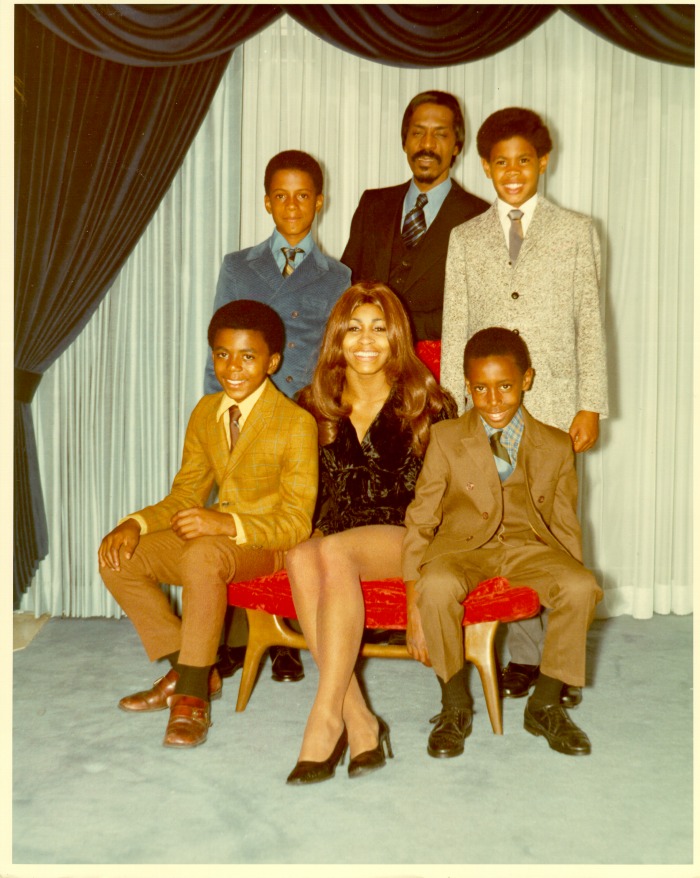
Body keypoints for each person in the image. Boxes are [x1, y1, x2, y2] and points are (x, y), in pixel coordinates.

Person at [440, 107, 608, 701]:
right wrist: (455, 408)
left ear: (543, 162)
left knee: (554, 531)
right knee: (496, 525)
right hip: (487, 406)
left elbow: (590, 319)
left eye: (524, 161)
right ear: (485, 167)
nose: (513, 173)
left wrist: (590, 403)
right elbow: (456, 324)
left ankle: (552, 665)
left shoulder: (576, 231)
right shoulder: (466, 238)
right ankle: (514, 648)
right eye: (500, 163)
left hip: (555, 405)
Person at [99, 300, 318, 749]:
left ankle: (191, 699)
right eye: (222, 354)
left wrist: (225, 524)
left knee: (202, 553)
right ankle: (192, 669)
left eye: (248, 356)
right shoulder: (205, 412)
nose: (232, 367)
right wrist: (135, 523)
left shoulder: (296, 423)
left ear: (273, 362)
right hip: (214, 550)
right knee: (119, 558)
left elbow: (296, 523)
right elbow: (184, 496)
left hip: (266, 545)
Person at [284, 282, 456, 785]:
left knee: (335, 550)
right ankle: (361, 722)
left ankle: (324, 719)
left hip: (408, 538)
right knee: (300, 554)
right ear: (337, 339)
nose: (366, 340)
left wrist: (420, 593)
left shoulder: (429, 404)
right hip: (341, 537)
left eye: (379, 329)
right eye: (354, 328)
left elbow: (446, 508)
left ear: (396, 337)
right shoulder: (312, 406)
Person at [403, 327, 603, 758]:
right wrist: (410, 591)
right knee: (436, 585)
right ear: (467, 385)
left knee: (581, 585)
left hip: (527, 547)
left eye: (506, 387)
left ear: (527, 380)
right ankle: (454, 705)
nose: (493, 401)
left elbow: (565, 522)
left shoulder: (555, 444)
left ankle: (546, 702)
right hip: (462, 549)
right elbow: (422, 517)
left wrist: (570, 576)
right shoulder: (446, 438)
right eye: (480, 388)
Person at [204, 150, 350, 683]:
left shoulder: (338, 276)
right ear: (267, 202)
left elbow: (335, 358)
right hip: (243, 411)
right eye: (281, 196)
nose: (293, 205)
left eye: (303, 195)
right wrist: (212, 415)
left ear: (320, 202)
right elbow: (216, 349)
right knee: (236, 516)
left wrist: (329, 419)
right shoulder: (237, 266)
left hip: (302, 418)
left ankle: (286, 636)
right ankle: (237, 636)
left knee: (292, 522)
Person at [341, 91, 488, 341]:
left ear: (456, 146)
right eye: (418, 133)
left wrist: (395, 327)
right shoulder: (372, 205)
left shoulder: (480, 217)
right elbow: (346, 285)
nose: (427, 145)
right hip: (369, 362)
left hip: (436, 368)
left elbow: (476, 310)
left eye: (440, 134)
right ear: (405, 142)